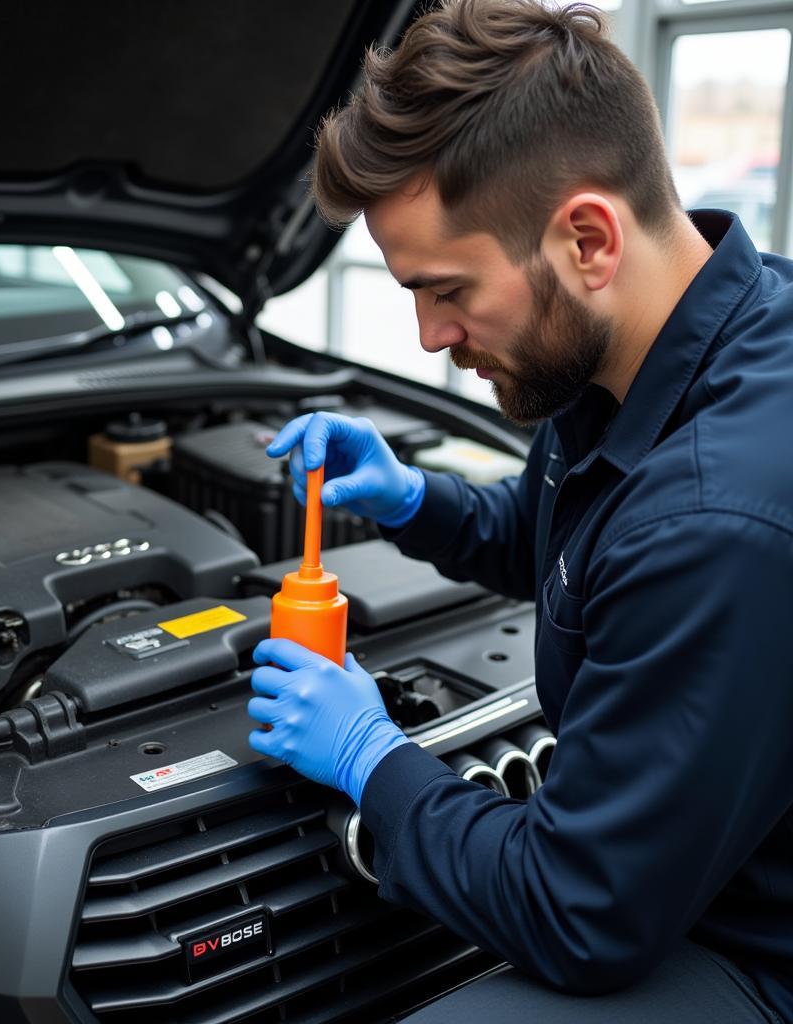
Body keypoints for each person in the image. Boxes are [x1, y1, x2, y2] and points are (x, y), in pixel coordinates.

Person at [244, 1, 793, 1021]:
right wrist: (415, 500)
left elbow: (576, 910)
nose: (425, 335)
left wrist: (377, 762)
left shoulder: (718, 518)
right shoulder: (669, 342)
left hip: (755, 946)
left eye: (446, 289)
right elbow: (575, 536)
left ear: (586, 237)